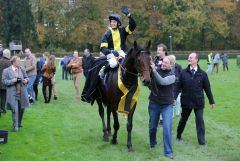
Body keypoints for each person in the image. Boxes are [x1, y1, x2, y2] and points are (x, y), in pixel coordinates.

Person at [81, 6, 136, 102]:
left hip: (121, 53)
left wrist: (129, 15)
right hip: (111, 54)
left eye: (114, 22)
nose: (113, 23)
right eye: (111, 22)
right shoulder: (107, 33)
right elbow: (103, 48)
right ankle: (102, 75)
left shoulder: (123, 30)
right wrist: (111, 51)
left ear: (118, 23)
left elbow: (133, 26)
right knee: (113, 63)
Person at [175, 52, 215, 145]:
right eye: (189, 57)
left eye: (191, 58)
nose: (189, 59)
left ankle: (201, 141)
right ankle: (178, 135)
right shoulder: (183, 72)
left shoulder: (203, 74)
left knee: (200, 121)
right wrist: (173, 98)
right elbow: (177, 87)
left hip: (198, 102)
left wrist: (211, 101)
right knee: (183, 120)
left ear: (196, 60)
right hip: (186, 101)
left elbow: (207, 88)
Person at [148, 55, 176, 159]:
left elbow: (163, 82)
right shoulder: (156, 70)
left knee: (167, 128)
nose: (163, 64)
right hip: (154, 103)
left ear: (171, 65)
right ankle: (152, 142)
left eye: (166, 62)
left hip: (167, 105)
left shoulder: (172, 75)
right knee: (152, 127)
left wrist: (154, 71)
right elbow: (146, 81)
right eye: (163, 61)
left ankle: (168, 152)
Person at [2, 56, 30, 132]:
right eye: (18, 61)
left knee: (22, 109)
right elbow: (4, 81)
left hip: (22, 93)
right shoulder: (6, 71)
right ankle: (15, 126)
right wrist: (12, 80)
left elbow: (27, 78)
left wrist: (26, 80)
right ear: (13, 62)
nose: (19, 62)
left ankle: (19, 123)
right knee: (15, 110)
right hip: (12, 94)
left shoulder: (22, 69)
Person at [153, 43, 168, 127]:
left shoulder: (167, 60)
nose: (157, 51)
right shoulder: (156, 59)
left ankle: (163, 120)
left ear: (164, 51)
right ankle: (158, 119)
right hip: (156, 85)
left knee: (163, 103)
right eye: (157, 49)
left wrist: (155, 68)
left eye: (159, 50)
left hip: (164, 85)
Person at [0, 49, 11, 115]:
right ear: (7, 54)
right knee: (3, 96)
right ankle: (3, 109)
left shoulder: (0, 60)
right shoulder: (8, 62)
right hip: (4, 82)